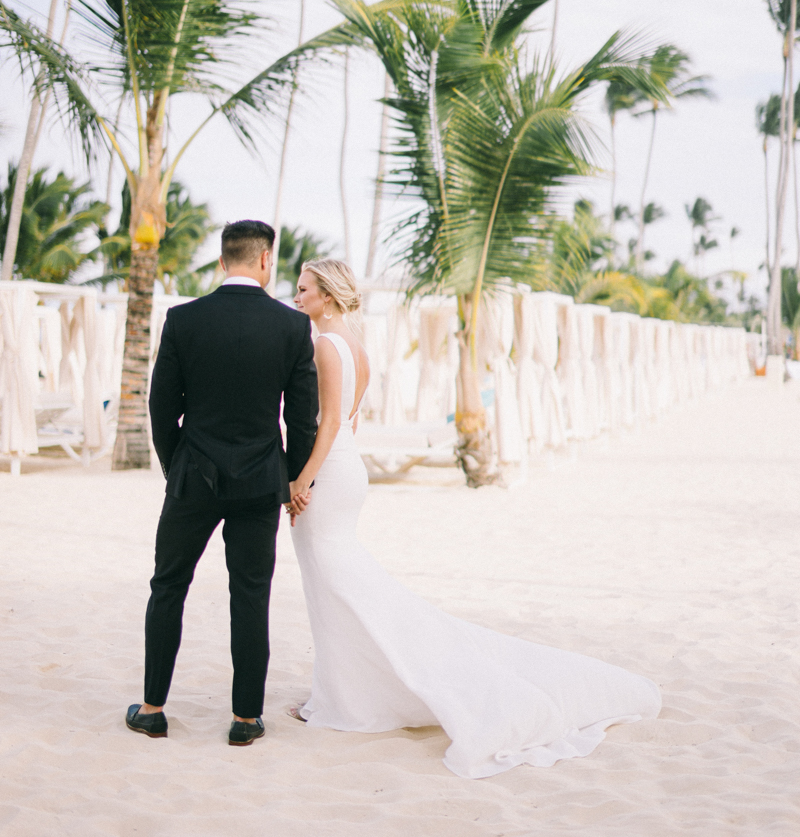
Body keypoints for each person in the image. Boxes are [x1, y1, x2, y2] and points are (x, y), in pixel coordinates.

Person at [287, 258, 662, 779]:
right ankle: (338, 693)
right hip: (349, 470)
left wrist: (302, 478)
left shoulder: (326, 345)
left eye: (303, 288)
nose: (296, 294)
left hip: (328, 472)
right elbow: (348, 421)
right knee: (339, 584)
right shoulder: (358, 347)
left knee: (333, 583)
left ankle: (347, 699)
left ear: (326, 295)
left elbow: (329, 422)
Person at [126, 220, 318, 746]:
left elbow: (162, 405)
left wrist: (177, 465)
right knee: (251, 594)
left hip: (194, 476)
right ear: (264, 262)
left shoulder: (183, 320)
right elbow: (303, 419)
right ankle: (245, 718)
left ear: (221, 261)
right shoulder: (290, 327)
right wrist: (294, 479)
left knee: (168, 586)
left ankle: (151, 707)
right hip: (260, 480)